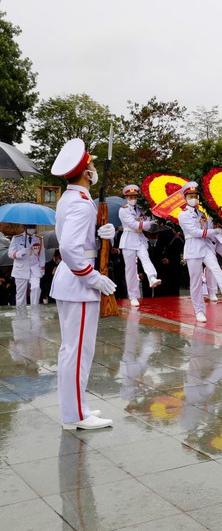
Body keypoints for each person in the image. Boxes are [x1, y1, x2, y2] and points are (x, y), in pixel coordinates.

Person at [50, 138, 116, 430]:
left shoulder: (71, 199)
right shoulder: (80, 203)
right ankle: (75, 415)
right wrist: (94, 277)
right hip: (79, 283)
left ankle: (77, 406)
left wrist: (103, 234)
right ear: (86, 173)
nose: (93, 168)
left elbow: (78, 242)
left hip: (71, 281)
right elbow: (70, 249)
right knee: (77, 352)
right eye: (91, 165)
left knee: (73, 350)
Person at [177, 182, 222, 323]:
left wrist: (219, 230)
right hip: (192, 248)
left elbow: (208, 229)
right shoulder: (183, 214)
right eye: (191, 196)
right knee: (196, 281)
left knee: (215, 267)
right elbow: (194, 232)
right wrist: (214, 231)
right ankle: (199, 311)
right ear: (185, 198)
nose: (194, 198)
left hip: (206, 246)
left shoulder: (202, 213)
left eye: (195, 196)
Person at [118, 184, 161, 307]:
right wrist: (148, 223)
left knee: (145, 258)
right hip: (129, 239)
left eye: (135, 196)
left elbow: (150, 221)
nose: (133, 198)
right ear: (126, 197)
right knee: (131, 269)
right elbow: (134, 224)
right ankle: (133, 296)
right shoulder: (123, 210)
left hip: (140, 239)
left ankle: (152, 277)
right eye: (130, 197)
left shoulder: (142, 209)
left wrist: (149, 222)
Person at [7, 225, 44, 306]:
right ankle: (21, 317)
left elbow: (41, 255)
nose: (32, 229)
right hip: (21, 269)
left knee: (36, 288)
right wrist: (19, 253)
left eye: (34, 227)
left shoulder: (39, 239)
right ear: (25, 228)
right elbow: (10, 253)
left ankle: (35, 312)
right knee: (21, 295)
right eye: (30, 227)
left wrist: (42, 269)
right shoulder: (16, 238)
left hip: (34, 269)